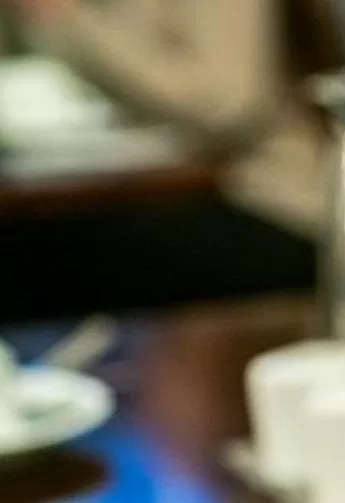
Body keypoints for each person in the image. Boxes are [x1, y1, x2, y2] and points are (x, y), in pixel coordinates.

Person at [0, 0, 326, 318]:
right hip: (207, 185)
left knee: (33, 254)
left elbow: (226, 103)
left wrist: (67, 19)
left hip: (276, 201)